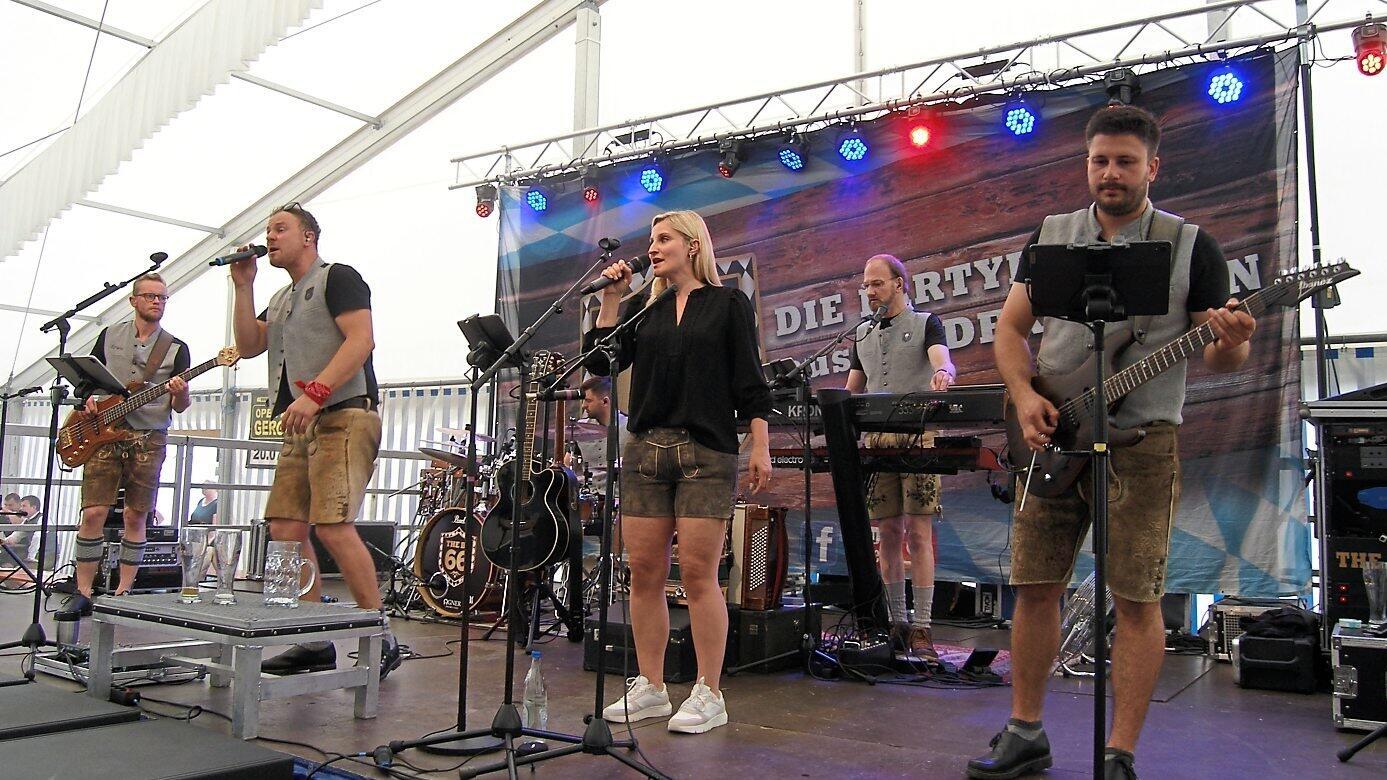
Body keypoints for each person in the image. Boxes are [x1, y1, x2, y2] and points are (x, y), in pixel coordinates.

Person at [969, 105, 1255, 780]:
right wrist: (1025, 397)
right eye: (1100, 160)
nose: (1110, 173)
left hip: (1143, 443)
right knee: (1034, 586)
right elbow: (1009, 330)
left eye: (1125, 162)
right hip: (1051, 435)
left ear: (1152, 167)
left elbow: (1221, 359)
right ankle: (1024, 732)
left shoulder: (1191, 245)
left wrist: (1234, 340)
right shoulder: (1052, 235)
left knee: (1135, 599)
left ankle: (1119, 752)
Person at [585, 210, 772, 734]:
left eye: (663, 238)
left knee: (696, 574)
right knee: (644, 570)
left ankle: (710, 691)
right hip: (646, 449)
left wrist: (760, 445)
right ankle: (651, 684)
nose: (653, 247)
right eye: (651, 239)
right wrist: (611, 299)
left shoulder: (727, 304)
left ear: (692, 245)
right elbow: (600, 364)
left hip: (705, 451)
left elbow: (750, 382)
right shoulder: (644, 310)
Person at [229, 201, 401, 679]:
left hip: (343, 412)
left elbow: (361, 340)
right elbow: (248, 345)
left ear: (309, 237)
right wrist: (243, 286)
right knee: (285, 526)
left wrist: (316, 393)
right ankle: (311, 637)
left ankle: (379, 635)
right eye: (268, 230)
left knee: (333, 525)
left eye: (280, 229)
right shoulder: (281, 298)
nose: (270, 237)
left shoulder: (337, 277)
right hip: (300, 420)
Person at [56, 274, 190, 620]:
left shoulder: (176, 348)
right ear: (133, 300)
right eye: (150, 296)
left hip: (149, 435)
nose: (157, 302)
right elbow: (89, 380)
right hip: (103, 429)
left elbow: (180, 407)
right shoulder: (109, 335)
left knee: (136, 513)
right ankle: (82, 592)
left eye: (162, 297)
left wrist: (181, 392)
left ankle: (124, 590)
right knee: (93, 512)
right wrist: (87, 400)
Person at [843, 254, 956, 664]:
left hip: (917, 439)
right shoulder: (862, 334)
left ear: (899, 284)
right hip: (877, 442)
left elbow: (943, 360)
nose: (870, 292)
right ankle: (896, 622)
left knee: (919, 533)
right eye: (866, 286)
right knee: (888, 533)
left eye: (877, 284)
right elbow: (852, 390)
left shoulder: (927, 323)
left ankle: (922, 625)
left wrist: (944, 373)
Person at [565, 374, 629, 493]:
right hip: (588, 495)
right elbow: (567, 463)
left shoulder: (629, 427)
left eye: (588, 401)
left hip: (620, 497)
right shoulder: (580, 428)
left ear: (605, 401)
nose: (583, 406)